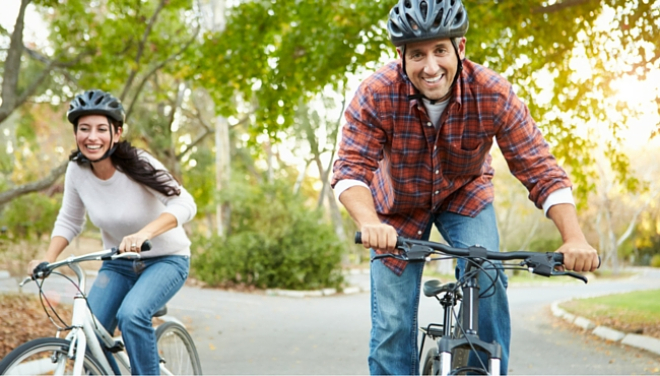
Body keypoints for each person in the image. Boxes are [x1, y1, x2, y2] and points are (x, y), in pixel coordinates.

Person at [331, 0, 599, 374]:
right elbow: (350, 170)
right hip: (395, 212)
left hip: (465, 197)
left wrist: (574, 238)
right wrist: (368, 221)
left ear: (460, 48)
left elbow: (539, 167)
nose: (430, 66)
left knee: (487, 276)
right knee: (391, 324)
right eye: (418, 54)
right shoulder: (376, 93)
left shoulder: (492, 92)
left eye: (440, 50)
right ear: (400, 56)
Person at [26, 89, 197, 375]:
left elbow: (184, 202)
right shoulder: (76, 171)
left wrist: (144, 234)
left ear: (116, 134)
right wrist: (46, 259)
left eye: (101, 129)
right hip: (118, 264)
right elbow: (69, 221)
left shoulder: (139, 162)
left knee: (131, 315)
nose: (92, 136)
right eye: (84, 129)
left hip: (166, 260)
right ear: (76, 134)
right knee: (89, 332)